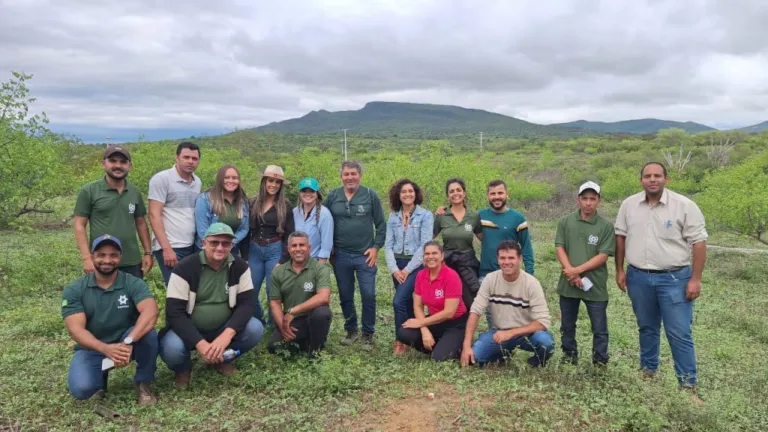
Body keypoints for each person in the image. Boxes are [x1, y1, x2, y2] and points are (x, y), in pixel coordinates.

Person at [615, 162, 707, 393]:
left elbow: (699, 242)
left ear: (666, 179)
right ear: (641, 180)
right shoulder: (629, 205)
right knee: (646, 327)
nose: (652, 179)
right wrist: (619, 269)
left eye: (657, 175)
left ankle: (687, 384)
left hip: (674, 279)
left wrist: (695, 279)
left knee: (679, 332)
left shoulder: (684, 205)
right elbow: (620, 238)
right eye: (647, 176)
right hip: (638, 277)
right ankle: (648, 371)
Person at [160, 223, 264, 388]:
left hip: (222, 327)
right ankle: (183, 369)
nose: (220, 247)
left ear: (232, 245)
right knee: (172, 348)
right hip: (189, 328)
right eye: (214, 242)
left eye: (226, 243)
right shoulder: (184, 268)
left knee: (255, 328)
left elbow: (246, 305)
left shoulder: (240, 266)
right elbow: (175, 313)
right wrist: (200, 344)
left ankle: (222, 359)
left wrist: (226, 336)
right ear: (203, 243)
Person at [61, 234, 159, 404]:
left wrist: (127, 342)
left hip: (126, 342)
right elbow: (76, 330)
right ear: (92, 257)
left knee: (148, 334)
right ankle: (100, 378)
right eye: (101, 255)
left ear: (120, 258)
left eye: (113, 255)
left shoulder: (132, 283)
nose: (107, 260)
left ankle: (144, 383)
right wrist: (106, 349)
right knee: (83, 389)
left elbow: (150, 312)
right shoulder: (75, 289)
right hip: (92, 348)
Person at [460, 241, 555, 368]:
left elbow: (543, 322)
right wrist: (466, 346)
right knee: (475, 357)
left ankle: (535, 363)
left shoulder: (531, 283)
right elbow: (475, 311)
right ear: (497, 259)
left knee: (545, 342)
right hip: (499, 333)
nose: (507, 262)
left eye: (511, 258)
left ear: (519, 259)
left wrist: (511, 333)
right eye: (502, 258)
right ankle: (502, 353)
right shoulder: (490, 279)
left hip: (527, 333)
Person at [324, 160, 386, 348]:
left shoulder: (370, 195)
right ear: (341, 176)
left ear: (360, 175)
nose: (350, 177)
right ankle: (351, 330)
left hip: (364, 255)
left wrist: (375, 247)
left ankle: (368, 333)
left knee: (368, 294)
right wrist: (329, 249)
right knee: (345, 294)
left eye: (353, 174)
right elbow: (325, 221)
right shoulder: (333, 196)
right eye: (346, 174)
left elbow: (381, 225)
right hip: (340, 255)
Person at [555, 181, 616, 366]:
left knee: (599, 327)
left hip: (594, 284)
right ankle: (569, 357)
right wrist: (571, 273)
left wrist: (577, 271)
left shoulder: (605, 226)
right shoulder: (565, 222)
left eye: (592, 199)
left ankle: (600, 361)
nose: (588, 203)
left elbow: (603, 255)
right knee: (567, 325)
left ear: (599, 201)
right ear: (578, 200)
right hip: (569, 283)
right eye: (584, 198)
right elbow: (560, 247)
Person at [73, 145, 153, 278]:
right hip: (102, 261)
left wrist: (148, 253)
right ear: (103, 164)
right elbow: (79, 225)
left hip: (132, 260)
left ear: (130, 166)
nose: (118, 165)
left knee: (132, 297)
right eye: (113, 161)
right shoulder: (89, 191)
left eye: (123, 162)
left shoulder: (134, 192)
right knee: (101, 298)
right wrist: (87, 258)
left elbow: (141, 223)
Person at [384, 179, 434, 355]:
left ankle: (400, 339)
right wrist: (394, 269)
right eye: (404, 192)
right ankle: (411, 338)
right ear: (398, 195)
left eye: (410, 191)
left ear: (416, 194)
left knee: (398, 301)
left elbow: (425, 245)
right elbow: (388, 245)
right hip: (397, 265)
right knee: (406, 302)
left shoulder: (425, 215)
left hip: (417, 265)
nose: (407, 194)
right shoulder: (393, 216)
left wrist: (407, 270)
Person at [396, 241, 468, 361]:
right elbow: (418, 306)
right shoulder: (421, 275)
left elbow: (449, 312)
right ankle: (440, 346)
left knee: (439, 358)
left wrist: (421, 322)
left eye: (434, 253)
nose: (430, 257)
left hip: (455, 323)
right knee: (404, 333)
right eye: (427, 254)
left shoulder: (451, 276)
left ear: (442, 256)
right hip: (434, 320)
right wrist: (424, 329)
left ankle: (451, 347)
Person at [267, 232, 333, 356]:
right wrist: (283, 326)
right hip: (291, 321)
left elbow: (324, 297)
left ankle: (315, 352)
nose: (298, 249)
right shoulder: (278, 271)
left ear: (309, 248)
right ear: (288, 249)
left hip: (312, 317)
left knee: (322, 313)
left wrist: (294, 311)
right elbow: (275, 303)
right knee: (273, 347)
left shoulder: (320, 269)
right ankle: (303, 342)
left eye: (302, 245)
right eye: (294, 245)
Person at [148, 141, 202, 285]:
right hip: (171, 247)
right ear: (176, 157)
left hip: (191, 246)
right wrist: (166, 248)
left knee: (192, 289)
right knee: (177, 292)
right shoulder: (162, 179)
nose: (190, 161)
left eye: (194, 158)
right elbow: (154, 215)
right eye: (186, 157)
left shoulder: (197, 182)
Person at [248, 165, 295, 324]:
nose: (274, 185)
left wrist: (283, 259)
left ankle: (272, 325)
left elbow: (290, 234)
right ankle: (257, 320)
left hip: (274, 249)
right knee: (250, 290)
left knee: (272, 291)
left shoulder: (285, 205)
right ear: (264, 181)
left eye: (277, 182)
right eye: (270, 180)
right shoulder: (253, 202)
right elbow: (247, 228)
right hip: (254, 249)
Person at [433, 178, 483, 310]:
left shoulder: (474, 216)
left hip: (467, 263)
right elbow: (429, 238)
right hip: (448, 263)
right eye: (451, 191)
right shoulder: (442, 216)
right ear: (447, 196)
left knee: (470, 301)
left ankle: (466, 329)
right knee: (448, 301)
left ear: (464, 193)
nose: (455, 193)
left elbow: (484, 238)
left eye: (458, 190)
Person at [478, 180, 534, 280]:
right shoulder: (480, 216)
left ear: (507, 194)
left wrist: (529, 274)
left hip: (510, 275)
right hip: (485, 275)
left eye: (500, 193)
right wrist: (443, 212)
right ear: (487, 196)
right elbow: (460, 221)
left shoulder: (518, 218)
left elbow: (526, 247)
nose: (496, 197)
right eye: (492, 194)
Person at [194, 164, 250, 253]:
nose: (231, 181)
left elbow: (244, 229)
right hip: (207, 250)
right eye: (226, 177)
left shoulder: (242, 202)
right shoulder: (205, 199)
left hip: (231, 250)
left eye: (234, 178)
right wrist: (217, 246)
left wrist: (230, 243)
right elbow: (202, 230)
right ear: (220, 179)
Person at [292, 177, 333, 263]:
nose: (308, 194)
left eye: (311, 191)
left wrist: (319, 268)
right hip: (295, 262)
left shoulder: (324, 214)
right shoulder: (295, 212)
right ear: (300, 193)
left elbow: (326, 245)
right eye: (304, 191)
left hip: (314, 263)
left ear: (317, 193)